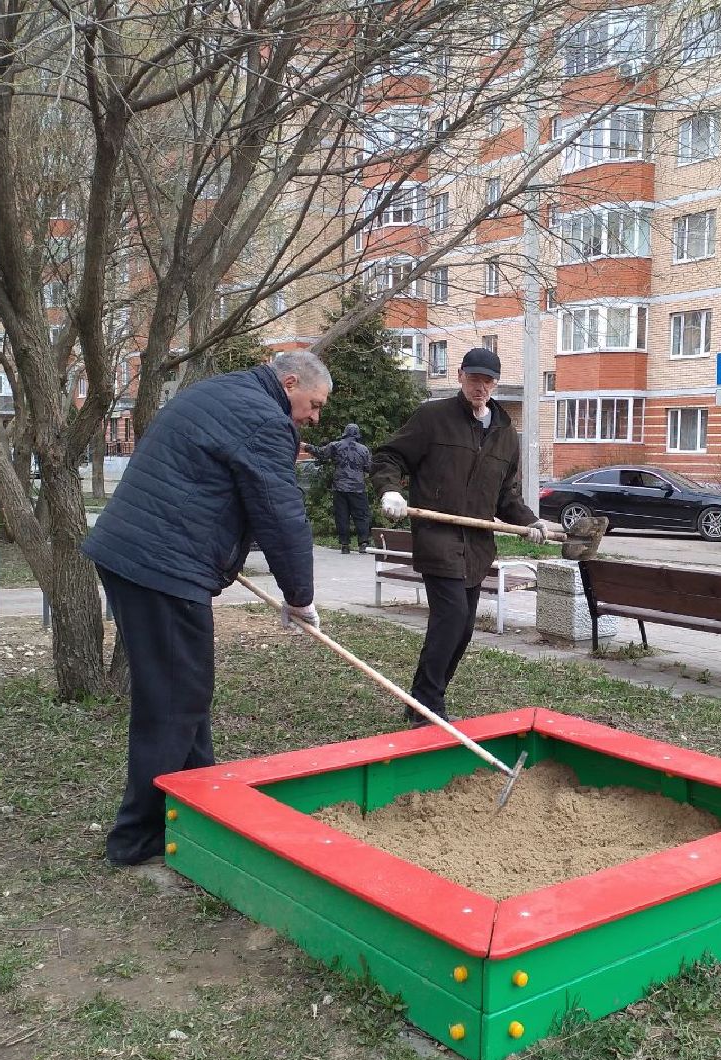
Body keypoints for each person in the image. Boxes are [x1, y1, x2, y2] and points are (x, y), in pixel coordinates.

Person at [82, 350, 329, 867]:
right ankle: (138, 837)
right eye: (312, 404)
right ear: (289, 384)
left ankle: (199, 808)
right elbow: (280, 516)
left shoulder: (223, 391)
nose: (313, 418)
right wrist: (300, 598)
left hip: (136, 556)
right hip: (162, 569)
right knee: (171, 704)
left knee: (184, 694)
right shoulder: (263, 421)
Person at [371, 347, 549, 725]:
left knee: (464, 627)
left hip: (478, 544)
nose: (479, 386)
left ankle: (421, 699)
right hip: (438, 536)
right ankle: (428, 707)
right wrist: (390, 490)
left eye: (487, 380)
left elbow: (507, 496)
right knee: (450, 618)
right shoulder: (432, 417)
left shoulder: (505, 433)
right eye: (473, 378)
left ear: (495, 383)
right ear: (460, 376)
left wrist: (531, 522)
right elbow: (389, 456)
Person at [304, 423, 372, 554]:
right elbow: (368, 468)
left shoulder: (335, 445)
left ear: (345, 432)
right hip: (358, 488)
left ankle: (345, 545)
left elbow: (321, 453)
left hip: (339, 487)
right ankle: (363, 543)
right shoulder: (364, 449)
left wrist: (306, 446)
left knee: (342, 516)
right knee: (361, 516)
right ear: (357, 434)